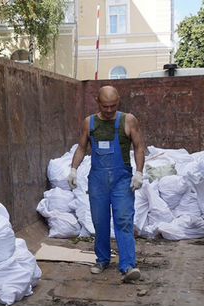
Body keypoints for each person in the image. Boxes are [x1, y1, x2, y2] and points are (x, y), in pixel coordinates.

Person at [67, 85, 145, 283]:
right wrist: (73, 169)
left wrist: (139, 172)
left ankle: (128, 265)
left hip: (122, 181)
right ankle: (102, 259)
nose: (109, 110)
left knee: (123, 220)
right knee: (100, 221)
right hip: (98, 182)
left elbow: (139, 147)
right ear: (98, 102)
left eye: (113, 106)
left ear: (118, 101)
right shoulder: (90, 123)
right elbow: (81, 148)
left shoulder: (128, 120)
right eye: (105, 106)